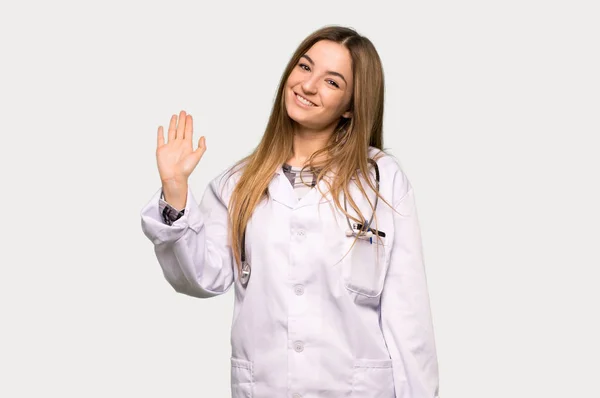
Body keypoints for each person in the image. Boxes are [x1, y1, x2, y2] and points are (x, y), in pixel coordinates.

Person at [141, 25, 440, 398]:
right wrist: (175, 190)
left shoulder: (380, 179)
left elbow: (407, 313)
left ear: (351, 106)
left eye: (332, 82)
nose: (309, 86)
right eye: (304, 67)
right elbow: (201, 277)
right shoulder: (238, 183)